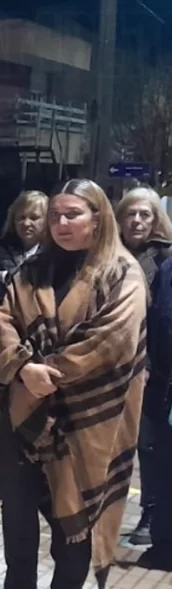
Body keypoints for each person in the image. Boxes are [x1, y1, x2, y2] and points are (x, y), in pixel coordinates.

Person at [0, 179, 147, 589]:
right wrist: (24, 368)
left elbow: (112, 340)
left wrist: (48, 373)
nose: (61, 223)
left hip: (87, 414)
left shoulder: (122, 272)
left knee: (73, 510)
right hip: (25, 404)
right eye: (56, 215)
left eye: (72, 214)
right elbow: (3, 316)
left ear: (97, 218)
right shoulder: (33, 267)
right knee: (17, 509)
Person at [0, 190, 48, 500]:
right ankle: (7, 479)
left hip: (43, 345)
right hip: (4, 344)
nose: (27, 223)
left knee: (42, 411)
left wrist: (8, 278)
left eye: (34, 217)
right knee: (7, 410)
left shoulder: (55, 251)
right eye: (21, 217)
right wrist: (12, 280)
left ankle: (41, 479)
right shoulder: (0, 247)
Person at [114, 187, 172, 545]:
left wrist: (147, 362)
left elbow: (159, 320)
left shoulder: (165, 258)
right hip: (106, 362)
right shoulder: (105, 252)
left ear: (156, 220)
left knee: (149, 444)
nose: (136, 221)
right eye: (130, 214)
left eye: (144, 214)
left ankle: (151, 511)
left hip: (149, 367)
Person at [140, 252, 172, 572]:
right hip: (165, 390)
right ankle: (163, 546)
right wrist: (146, 365)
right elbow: (150, 324)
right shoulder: (167, 270)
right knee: (164, 470)